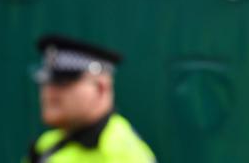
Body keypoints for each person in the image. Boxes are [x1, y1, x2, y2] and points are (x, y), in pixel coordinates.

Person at [25, 34, 156, 163]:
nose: (48, 92)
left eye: (62, 82)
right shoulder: (47, 142)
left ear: (100, 88)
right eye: (46, 82)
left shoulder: (121, 154)